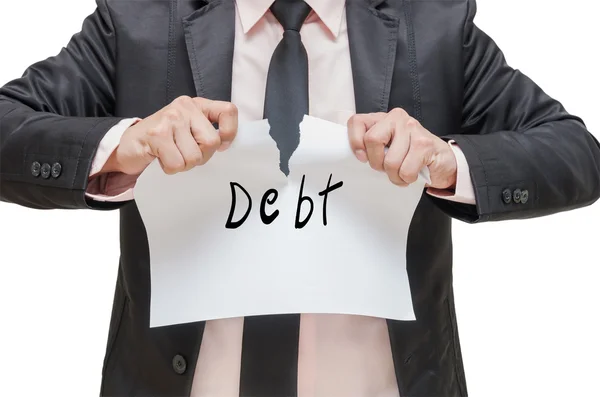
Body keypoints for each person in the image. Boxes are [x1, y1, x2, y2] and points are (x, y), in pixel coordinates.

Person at [1, 0, 599, 396]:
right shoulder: (138, 18)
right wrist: (121, 144)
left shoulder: (434, 23)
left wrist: (449, 160)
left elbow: (575, 151)